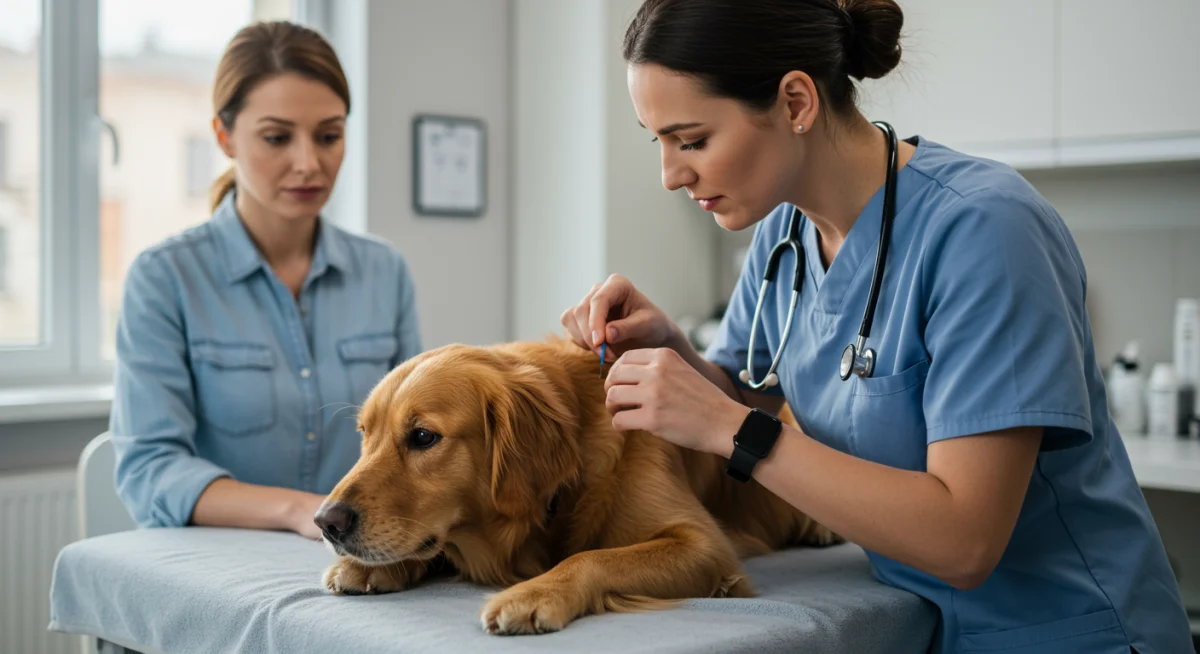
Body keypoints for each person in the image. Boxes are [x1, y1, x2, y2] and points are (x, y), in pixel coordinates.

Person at [561, 1, 1191, 652]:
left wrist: (728, 428)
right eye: (657, 140)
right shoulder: (784, 232)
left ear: (796, 103)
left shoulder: (985, 231)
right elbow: (748, 396)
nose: (670, 175)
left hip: (1073, 630)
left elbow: (965, 539)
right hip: (926, 625)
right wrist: (670, 346)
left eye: (691, 140)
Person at [110, 21, 422, 541]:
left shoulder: (384, 272)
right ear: (223, 136)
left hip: (357, 558)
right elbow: (149, 471)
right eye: (277, 137)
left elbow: (416, 434)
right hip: (222, 566)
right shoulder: (164, 278)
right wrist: (301, 511)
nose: (309, 163)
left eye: (329, 136)